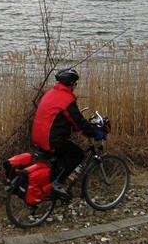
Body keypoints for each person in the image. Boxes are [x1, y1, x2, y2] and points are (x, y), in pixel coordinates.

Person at [32, 68, 106, 198]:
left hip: (40, 135)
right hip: (51, 139)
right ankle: (57, 183)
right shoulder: (66, 99)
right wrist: (95, 133)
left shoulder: (52, 93)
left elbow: (61, 119)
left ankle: (53, 189)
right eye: (75, 84)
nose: (76, 86)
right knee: (78, 155)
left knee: (63, 157)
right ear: (71, 84)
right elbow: (79, 123)